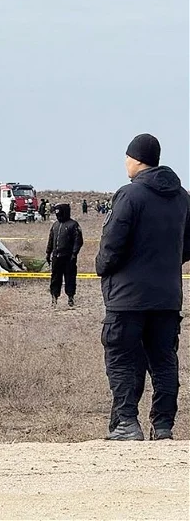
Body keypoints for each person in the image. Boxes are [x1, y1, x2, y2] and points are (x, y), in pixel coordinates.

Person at [95, 133, 190, 441]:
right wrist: (167, 264)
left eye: (127, 157)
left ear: (136, 159)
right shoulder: (182, 197)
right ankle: (163, 427)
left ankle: (126, 423)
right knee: (164, 361)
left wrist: (103, 268)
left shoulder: (129, 195)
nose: (125, 162)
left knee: (122, 359)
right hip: (167, 297)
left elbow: (112, 243)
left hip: (127, 298)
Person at [45, 203, 83, 307]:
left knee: (70, 278)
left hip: (68, 257)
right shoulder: (55, 225)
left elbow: (78, 241)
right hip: (56, 257)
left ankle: (71, 297)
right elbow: (51, 239)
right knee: (55, 278)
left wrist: (74, 253)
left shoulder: (73, 225)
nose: (57, 215)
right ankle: (54, 297)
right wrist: (48, 253)